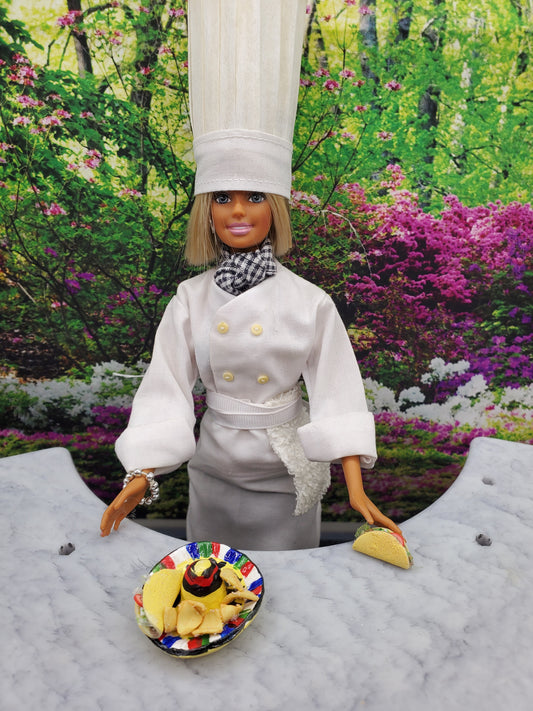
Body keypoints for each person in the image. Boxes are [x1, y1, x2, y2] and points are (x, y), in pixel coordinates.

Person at [100, 188, 401, 549]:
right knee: (211, 571)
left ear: (276, 209)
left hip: (284, 471)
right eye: (222, 198)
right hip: (216, 464)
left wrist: (357, 490)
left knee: (289, 571)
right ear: (207, 211)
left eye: (255, 197)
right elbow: (166, 387)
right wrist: (143, 472)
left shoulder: (309, 301)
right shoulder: (190, 298)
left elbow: (338, 393)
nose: (238, 211)